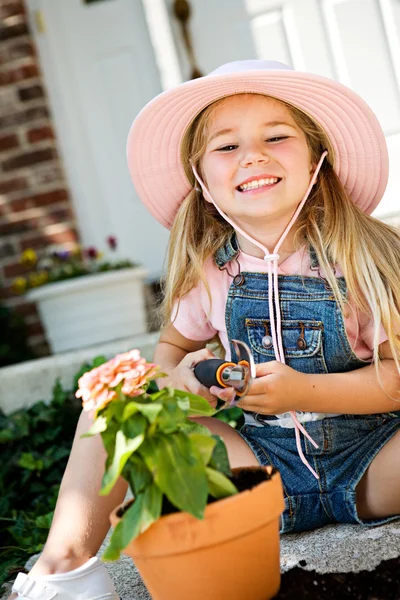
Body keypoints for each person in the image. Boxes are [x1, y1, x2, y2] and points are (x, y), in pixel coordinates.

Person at [10, 60, 400, 599]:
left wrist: (302, 390)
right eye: (227, 147)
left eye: (277, 136)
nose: (253, 155)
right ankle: (67, 569)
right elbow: (168, 357)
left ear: (318, 161)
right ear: (203, 182)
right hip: (258, 472)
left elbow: (396, 378)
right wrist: (189, 384)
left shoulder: (362, 259)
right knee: (118, 401)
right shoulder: (210, 271)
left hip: (375, 461)